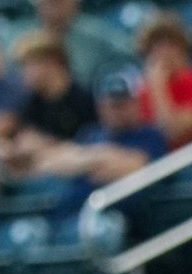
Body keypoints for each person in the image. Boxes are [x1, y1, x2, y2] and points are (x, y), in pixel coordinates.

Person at [28, 70, 168, 213]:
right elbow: (48, 163)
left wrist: (80, 159)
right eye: (111, 104)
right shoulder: (90, 134)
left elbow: (135, 168)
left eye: (123, 104)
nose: (117, 111)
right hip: (71, 213)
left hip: (116, 218)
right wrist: (102, 158)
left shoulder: (150, 135)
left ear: (136, 103)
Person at [16, 0, 135, 89]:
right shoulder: (24, 38)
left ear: (75, 0)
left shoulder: (97, 34)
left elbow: (127, 61)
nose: (54, 6)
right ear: (37, 3)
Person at [0, 32, 97, 176]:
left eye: (29, 65)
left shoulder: (83, 99)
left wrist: (47, 144)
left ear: (52, 63)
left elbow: (91, 145)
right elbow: (22, 138)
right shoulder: (33, 102)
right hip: (42, 172)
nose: (24, 73)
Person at [136, 13, 192, 148]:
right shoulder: (141, 90)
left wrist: (158, 86)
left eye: (170, 44)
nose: (163, 52)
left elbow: (174, 133)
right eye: (155, 46)